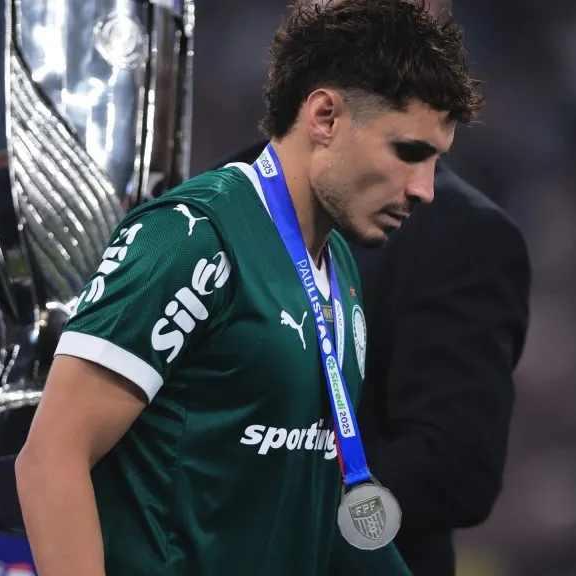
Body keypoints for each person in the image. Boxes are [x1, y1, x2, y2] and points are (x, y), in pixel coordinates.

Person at [13, 1, 483, 574]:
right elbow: (51, 459)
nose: (425, 189)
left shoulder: (339, 268)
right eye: (408, 152)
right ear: (325, 117)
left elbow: (311, 499)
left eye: (435, 161)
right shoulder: (191, 237)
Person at [218, 13, 531, 575]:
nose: (421, 188)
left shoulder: (463, 236)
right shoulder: (211, 204)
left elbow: (455, 469)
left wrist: (256, 493)